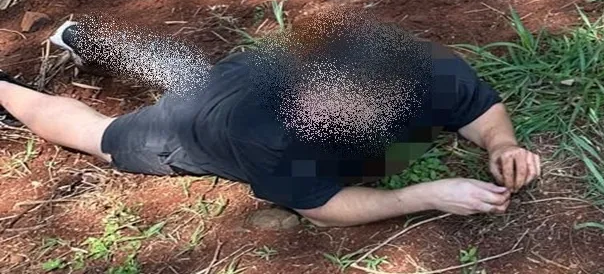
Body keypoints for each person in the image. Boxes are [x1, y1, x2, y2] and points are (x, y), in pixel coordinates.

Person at [0, 17, 540, 227]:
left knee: (186, 71)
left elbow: (479, 110)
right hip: (210, 119)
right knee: (103, 136)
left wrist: (502, 144)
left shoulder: (428, 67)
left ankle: (80, 35)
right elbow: (322, 207)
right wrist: (423, 195)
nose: (318, 114)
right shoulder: (267, 133)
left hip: (249, 71)